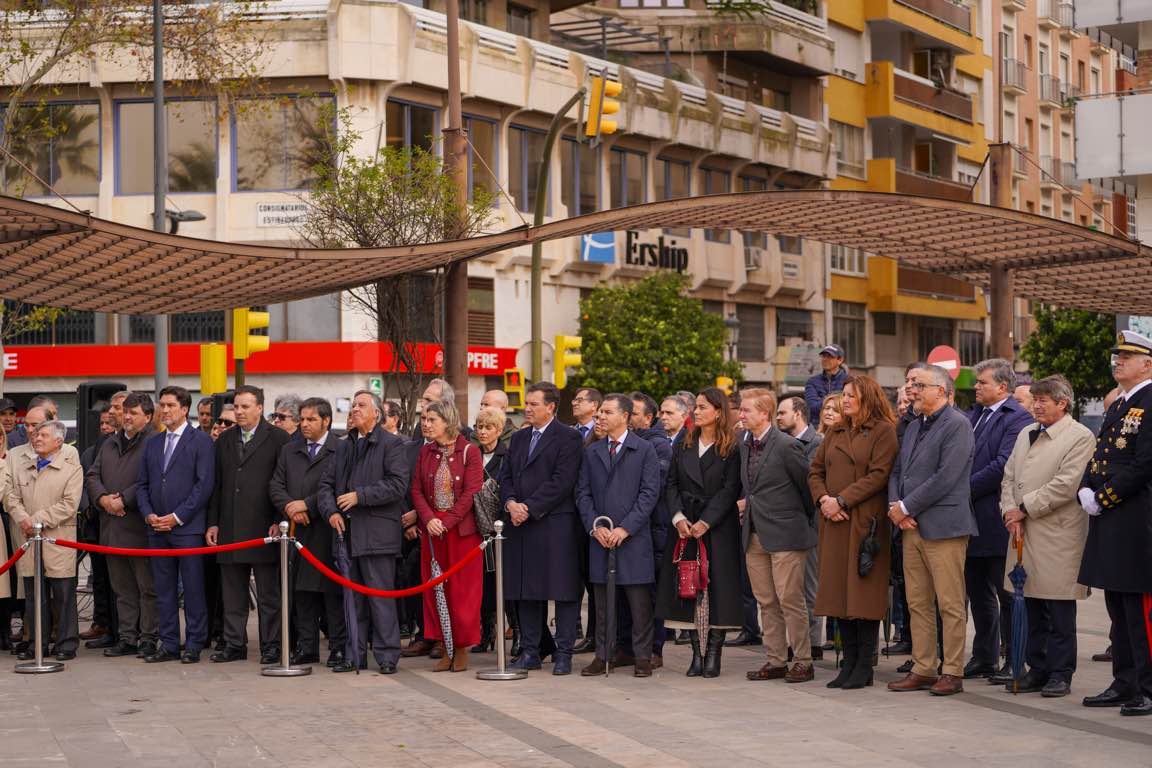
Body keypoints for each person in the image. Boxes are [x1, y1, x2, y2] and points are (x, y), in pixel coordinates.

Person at [999, 375, 1095, 698]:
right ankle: (1036, 667)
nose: (1036, 406)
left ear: (1062, 404)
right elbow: (1009, 475)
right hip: (1022, 531)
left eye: (1043, 401)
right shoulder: (1026, 433)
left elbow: (1066, 485)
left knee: (1059, 609)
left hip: (1058, 535)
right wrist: (1009, 511)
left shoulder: (1080, 437)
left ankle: (1060, 672)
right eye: (1034, 400)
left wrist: (1024, 507)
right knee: (1030, 605)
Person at [886, 364, 976, 696]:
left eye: (919, 385)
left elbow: (946, 477)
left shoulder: (958, 425)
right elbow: (898, 471)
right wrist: (896, 508)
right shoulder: (912, 426)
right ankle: (923, 667)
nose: (912, 390)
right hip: (910, 527)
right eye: (910, 384)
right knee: (917, 601)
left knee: (950, 603)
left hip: (944, 527)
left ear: (941, 390)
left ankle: (952, 670)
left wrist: (906, 507)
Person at [1078, 330, 1152, 716]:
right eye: (1116, 356)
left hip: (1137, 518)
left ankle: (1147, 685)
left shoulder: (1150, 400)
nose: (1118, 361)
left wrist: (1103, 496)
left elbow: (1144, 463)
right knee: (1118, 608)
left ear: (1147, 364)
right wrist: (1084, 489)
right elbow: (1100, 455)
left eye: (1127, 356)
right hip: (1112, 519)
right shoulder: (1120, 404)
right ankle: (1124, 681)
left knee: (1140, 611)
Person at [809, 375, 899, 689]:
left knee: (863, 595)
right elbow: (816, 470)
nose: (845, 400)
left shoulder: (883, 431)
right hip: (833, 521)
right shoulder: (835, 431)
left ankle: (864, 665)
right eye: (844, 394)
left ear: (868, 398)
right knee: (837, 594)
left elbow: (879, 475)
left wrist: (842, 500)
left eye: (851, 395)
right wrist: (823, 500)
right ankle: (847, 662)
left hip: (864, 521)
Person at [319, 390, 409, 674]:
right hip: (346, 535)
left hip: (377, 535)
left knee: (380, 599)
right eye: (353, 405)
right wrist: (330, 511)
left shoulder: (392, 444)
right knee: (351, 601)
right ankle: (353, 655)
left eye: (361, 405)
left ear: (376, 413)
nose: (354, 409)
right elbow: (325, 485)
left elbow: (397, 485)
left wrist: (360, 496)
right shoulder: (343, 446)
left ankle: (386, 656)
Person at [497, 382, 583, 674]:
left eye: (534, 404)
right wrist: (510, 503)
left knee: (562, 591)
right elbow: (505, 476)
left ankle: (564, 653)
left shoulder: (568, 438)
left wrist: (529, 508)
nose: (527, 408)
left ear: (551, 407)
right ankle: (531, 651)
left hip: (554, 525)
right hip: (520, 526)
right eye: (527, 403)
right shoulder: (519, 438)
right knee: (526, 590)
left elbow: (562, 481)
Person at [656, 387, 742, 677]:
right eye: (697, 407)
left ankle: (714, 653)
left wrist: (708, 521)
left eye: (703, 407)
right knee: (686, 586)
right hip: (684, 527)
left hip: (718, 527)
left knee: (718, 588)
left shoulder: (732, 446)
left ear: (718, 411)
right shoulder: (685, 442)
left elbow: (731, 488)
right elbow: (671, 484)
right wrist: (678, 517)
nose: (697, 411)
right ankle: (696, 653)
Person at [576, 394, 660, 678]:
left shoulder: (644, 449)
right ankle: (603, 654)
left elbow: (649, 495)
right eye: (599, 411)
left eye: (607, 411)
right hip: (600, 538)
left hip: (633, 539)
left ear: (625, 416)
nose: (600, 416)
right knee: (602, 603)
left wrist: (626, 528)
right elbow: (583, 493)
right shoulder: (592, 451)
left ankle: (642, 657)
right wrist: (594, 526)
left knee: (639, 603)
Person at [206, 385, 291, 664]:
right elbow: (217, 485)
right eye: (237, 407)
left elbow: (284, 483)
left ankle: (272, 644)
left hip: (264, 527)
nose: (239, 412)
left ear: (260, 408)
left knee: (268, 594)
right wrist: (213, 523)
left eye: (245, 407)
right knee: (233, 593)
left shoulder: (278, 438)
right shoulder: (226, 440)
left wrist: (280, 520)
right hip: (229, 525)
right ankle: (233, 643)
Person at [962, 359, 1035, 683]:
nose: (976, 387)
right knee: (978, 592)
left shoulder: (1016, 418)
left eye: (982, 382)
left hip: (996, 517)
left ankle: (1014, 659)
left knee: (1006, 594)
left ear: (1002, 387)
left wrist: (961, 487)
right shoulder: (974, 415)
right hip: (969, 518)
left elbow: (1003, 464)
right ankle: (984, 656)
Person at [739, 388, 818, 683]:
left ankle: (803, 660)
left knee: (790, 600)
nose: (741, 415)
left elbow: (807, 489)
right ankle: (775, 660)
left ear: (764, 413)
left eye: (746, 410)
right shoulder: (744, 444)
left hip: (787, 533)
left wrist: (801, 522)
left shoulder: (786, 445)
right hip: (755, 533)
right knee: (767, 601)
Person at [138, 385, 215, 663]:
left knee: (193, 588)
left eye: (170, 405)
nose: (165, 410)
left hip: (187, 528)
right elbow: (143, 484)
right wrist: (149, 515)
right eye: (162, 405)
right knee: (164, 589)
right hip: (156, 528)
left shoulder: (201, 442)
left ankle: (194, 642)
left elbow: (203, 485)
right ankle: (169, 644)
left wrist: (177, 517)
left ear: (184, 409)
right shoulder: (154, 443)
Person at [270, 397, 346, 668]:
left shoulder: (340, 448)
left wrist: (309, 506)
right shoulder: (290, 450)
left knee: (331, 593)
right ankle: (306, 647)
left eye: (311, 419)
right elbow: (276, 485)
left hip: (326, 529)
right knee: (301, 593)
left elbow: (338, 487)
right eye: (301, 419)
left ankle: (339, 646)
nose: (304, 424)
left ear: (326, 421)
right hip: (296, 531)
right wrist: (291, 508)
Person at [412, 398, 483, 672]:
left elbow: (471, 492)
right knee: (436, 590)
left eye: (432, 420)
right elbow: (416, 489)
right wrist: (429, 519)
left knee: (462, 592)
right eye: (424, 420)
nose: (426, 425)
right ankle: (445, 645)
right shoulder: (425, 452)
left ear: (448, 421)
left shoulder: (469, 452)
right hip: (433, 532)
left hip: (461, 533)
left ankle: (463, 647)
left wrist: (448, 521)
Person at [85, 392, 158, 659]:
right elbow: (92, 475)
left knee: (147, 589)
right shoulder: (109, 443)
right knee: (123, 590)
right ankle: (128, 637)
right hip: (112, 529)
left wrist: (123, 500)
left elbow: (149, 480)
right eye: (125, 411)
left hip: (139, 529)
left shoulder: (154, 442)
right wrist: (103, 499)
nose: (126, 416)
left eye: (133, 412)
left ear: (148, 417)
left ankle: (149, 637)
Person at [5, 421, 82, 661]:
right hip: (29, 539)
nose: (37, 438)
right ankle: (37, 642)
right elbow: (10, 496)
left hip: (58, 539)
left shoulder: (71, 469)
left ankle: (66, 643)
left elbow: (69, 505)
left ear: (59, 441)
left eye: (44, 436)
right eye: (37, 435)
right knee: (33, 594)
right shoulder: (23, 466)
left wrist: (36, 519)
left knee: (63, 594)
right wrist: (22, 518)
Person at [777, 394, 824, 659]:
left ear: (798, 414)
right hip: (786, 524)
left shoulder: (817, 443)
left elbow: (810, 483)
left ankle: (813, 644)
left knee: (808, 584)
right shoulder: (779, 443)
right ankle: (795, 641)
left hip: (809, 522)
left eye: (782, 413)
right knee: (789, 589)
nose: (778, 418)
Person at [472, 405, 508, 652]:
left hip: (501, 530)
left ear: (499, 430)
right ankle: (486, 633)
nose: (483, 432)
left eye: (488, 427)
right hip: (477, 530)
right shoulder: (471, 454)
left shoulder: (507, 457)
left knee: (505, 585)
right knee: (483, 587)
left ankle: (513, 630)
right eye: (479, 427)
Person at [570, 386, 603, 655]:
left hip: (597, 516)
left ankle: (596, 634)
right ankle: (578, 630)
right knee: (577, 575)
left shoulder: (602, 431)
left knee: (596, 582)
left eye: (580, 400)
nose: (574, 403)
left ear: (595, 406)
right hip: (574, 514)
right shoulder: (570, 433)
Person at [805, 344, 849, 423]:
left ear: (840, 360)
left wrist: (821, 400)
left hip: (842, 426)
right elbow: (813, 408)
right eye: (823, 356)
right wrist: (837, 396)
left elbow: (847, 407)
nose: (825, 359)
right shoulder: (812, 381)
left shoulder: (849, 381)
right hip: (818, 428)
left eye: (830, 356)